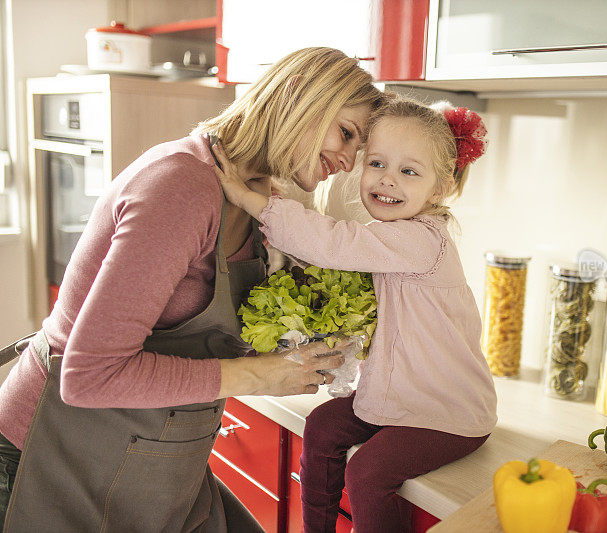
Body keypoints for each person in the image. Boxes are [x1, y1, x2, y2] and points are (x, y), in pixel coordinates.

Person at [0, 47, 385, 532]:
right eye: (346, 133)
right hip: (51, 457)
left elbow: (206, 330)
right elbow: (87, 376)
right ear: (296, 97)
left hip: (152, 457)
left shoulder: (260, 197)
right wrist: (261, 376)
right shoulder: (180, 186)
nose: (349, 162)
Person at [213, 96, 498, 533]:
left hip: (448, 413)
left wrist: (248, 199)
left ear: (439, 189)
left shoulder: (424, 241)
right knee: (323, 426)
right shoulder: (391, 238)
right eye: (377, 163)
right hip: (400, 396)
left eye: (408, 171)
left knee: (367, 472)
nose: (387, 180)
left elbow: (335, 243)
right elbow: (333, 252)